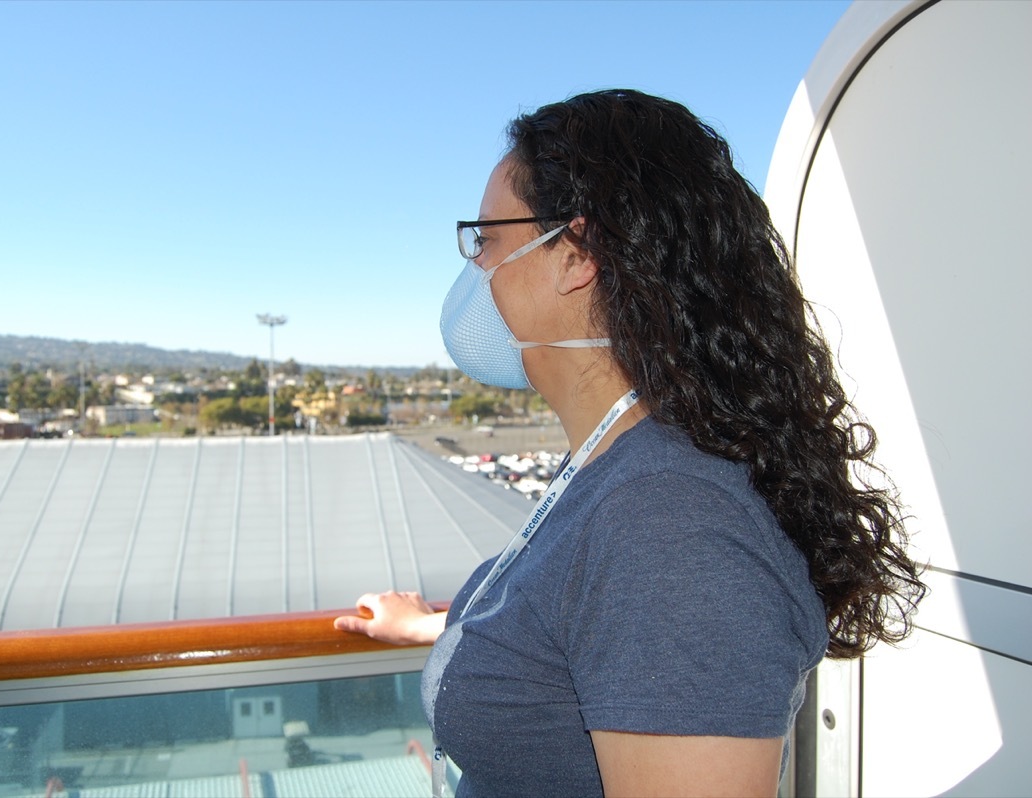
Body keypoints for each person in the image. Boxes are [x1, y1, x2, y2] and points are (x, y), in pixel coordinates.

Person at [334, 89, 925, 797]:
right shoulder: (619, 461)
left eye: (487, 238)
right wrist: (439, 628)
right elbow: (584, 631)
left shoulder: (671, 525)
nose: (477, 267)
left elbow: (655, 613)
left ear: (575, 255)